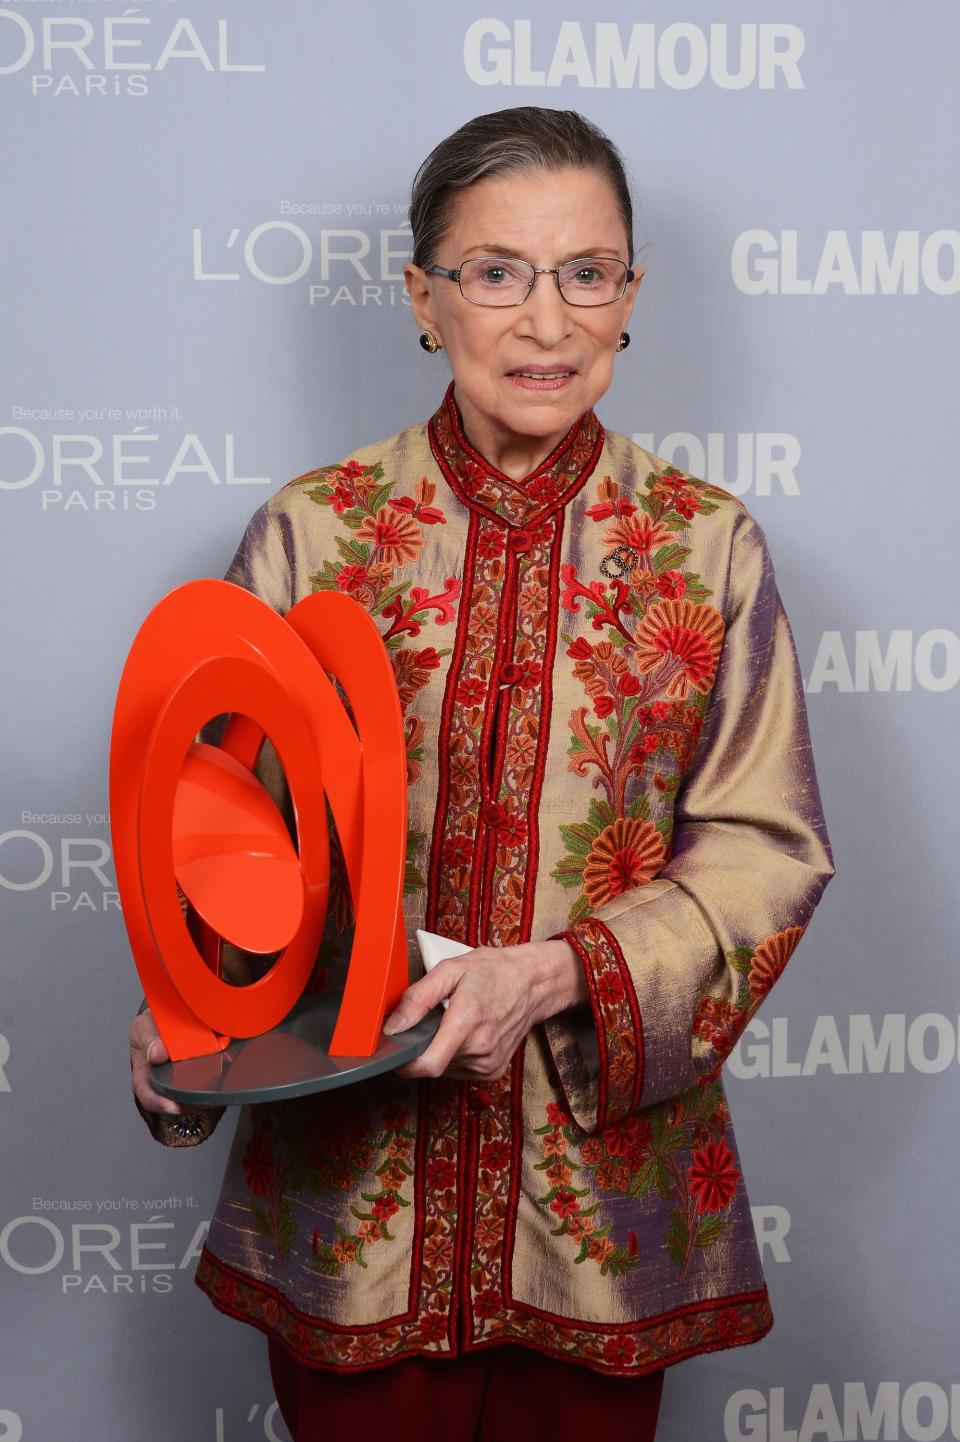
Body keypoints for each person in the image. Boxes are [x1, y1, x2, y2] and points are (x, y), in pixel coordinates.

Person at [130, 107, 833, 1441]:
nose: (548, 321)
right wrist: (189, 1007)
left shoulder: (703, 548)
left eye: (588, 272)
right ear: (423, 295)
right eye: (498, 271)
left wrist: (556, 973)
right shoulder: (314, 532)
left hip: (602, 1203)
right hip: (355, 1197)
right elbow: (226, 834)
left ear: (630, 294)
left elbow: (766, 846)